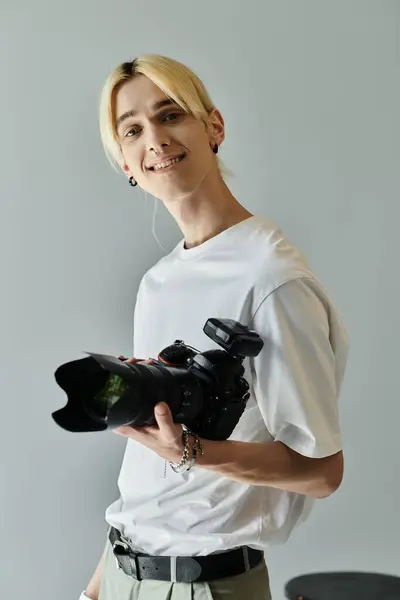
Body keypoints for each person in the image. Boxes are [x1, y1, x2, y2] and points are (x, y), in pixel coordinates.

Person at [79, 54, 349, 600]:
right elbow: (146, 473)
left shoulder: (271, 276)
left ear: (214, 126)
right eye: (132, 130)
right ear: (127, 165)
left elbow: (321, 472)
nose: (154, 137)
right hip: (122, 566)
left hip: (207, 583)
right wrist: (95, 588)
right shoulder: (157, 283)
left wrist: (191, 452)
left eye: (170, 114)